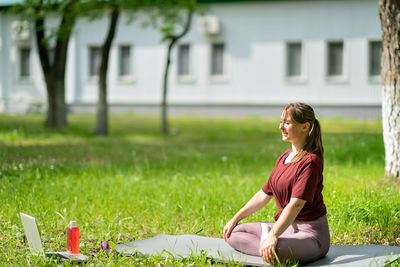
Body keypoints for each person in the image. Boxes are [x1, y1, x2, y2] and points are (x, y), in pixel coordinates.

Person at [223, 102, 330, 264]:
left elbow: (296, 205)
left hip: (310, 234)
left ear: (305, 126)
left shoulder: (311, 162)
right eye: (281, 122)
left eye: (286, 123)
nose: (281, 127)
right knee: (234, 233)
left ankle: (270, 241)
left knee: (277, 251)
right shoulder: (284, 157)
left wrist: (273, 235)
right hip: (286, 228)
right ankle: (268, 241)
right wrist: (235, 218)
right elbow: (263, 195)